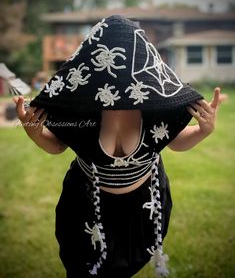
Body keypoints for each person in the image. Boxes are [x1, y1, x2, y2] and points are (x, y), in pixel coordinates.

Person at [13, 15, 224, 278]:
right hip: (87, 206)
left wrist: (204, 131)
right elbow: (56, 146)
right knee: (82, 270)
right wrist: (34, 132)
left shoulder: (154, 103)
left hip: (143, 209)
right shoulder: (83, 105)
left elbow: (175, 142)